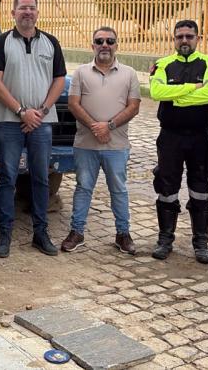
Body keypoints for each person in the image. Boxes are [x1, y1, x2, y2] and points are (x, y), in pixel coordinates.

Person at [0, 0, 66, 257]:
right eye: (22, 8)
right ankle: (4, 234)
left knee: (41, 178)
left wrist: (40, 112)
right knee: (7, 177)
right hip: (10, 122)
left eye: (32, 8)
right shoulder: (1, 42)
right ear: (13, 13)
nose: (27, 12)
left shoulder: (51, 43)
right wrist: (21, 111)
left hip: (41, 123)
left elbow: (59, 81)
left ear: (38, 12)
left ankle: (40, 233)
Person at [60, 27, 141, 254]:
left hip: (117, 146)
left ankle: (123, 234)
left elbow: (134, 106)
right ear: (92, 45)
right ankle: (77, 232)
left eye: (110, 41)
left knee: (118, 190)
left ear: (117, 44)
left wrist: (109, 126)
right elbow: (73, 104)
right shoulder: (81, 73)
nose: (105, 44)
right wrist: (96, 127)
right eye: (99, 41)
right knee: (83, 188)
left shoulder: (129, 73)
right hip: (86, 144)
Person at [149, 19, 208, 264]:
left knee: (200, 188)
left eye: (189, 36)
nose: (184, 41)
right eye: (179, 36)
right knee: (166, 187)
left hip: (200, 136)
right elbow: (157, 93)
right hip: (170, 136)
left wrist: (177, 96)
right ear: (174, 38)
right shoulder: (162, 64)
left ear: (197, 39)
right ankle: (165, 239)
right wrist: (192, 89)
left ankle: (201, 242)